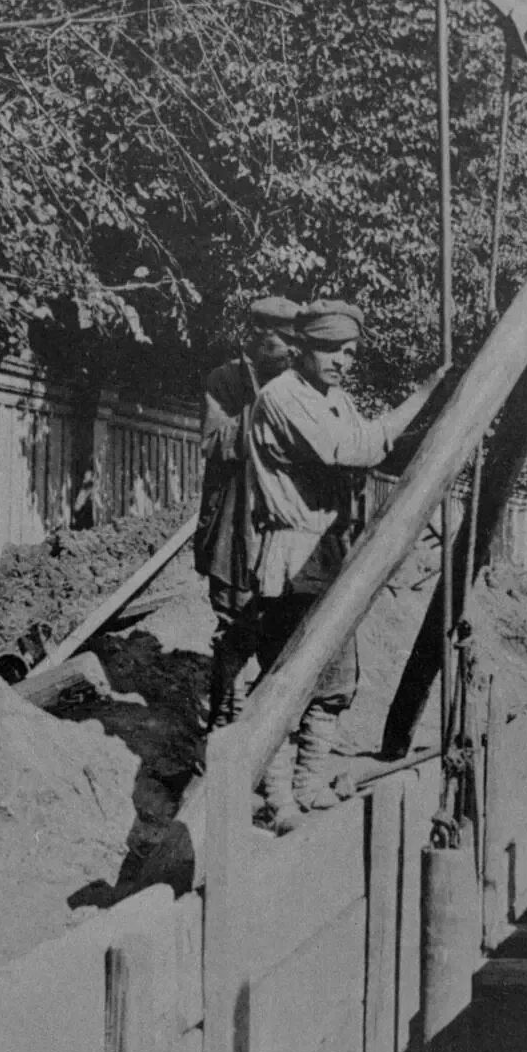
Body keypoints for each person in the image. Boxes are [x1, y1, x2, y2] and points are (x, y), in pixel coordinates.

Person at [247, 299, 445, 827]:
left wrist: (435, 416)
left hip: (330, 556)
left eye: (350, 352)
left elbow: (381, 448)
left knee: (336, 681)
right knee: (286, 680)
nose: (341, 361)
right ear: (302, 349)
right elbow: (350, 450)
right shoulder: (282, 397)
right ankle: (277, 797)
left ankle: (309, 784)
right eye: (330, 350)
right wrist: (422, 395)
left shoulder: (334, 398)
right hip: (292, 557)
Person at [194, 295, 301, 728]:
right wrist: (258, 408)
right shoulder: (223, 381)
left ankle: (265, 729)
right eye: (285, 341)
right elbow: (213, 443)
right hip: (232, 524)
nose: (294, 351)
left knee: (278, 627)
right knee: (231, 623)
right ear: (259, 338)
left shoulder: (299, 385)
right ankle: (224, 721)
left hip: (281, 524)